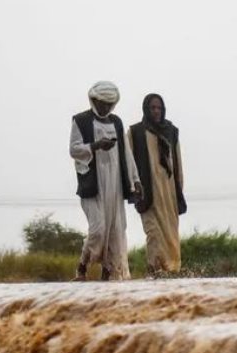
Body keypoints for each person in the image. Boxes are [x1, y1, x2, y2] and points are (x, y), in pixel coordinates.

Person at [69, 81, 143, 281]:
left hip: (115, 184)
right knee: (98, 230)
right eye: (102, 103)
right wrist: (95, 146)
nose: (106, 108)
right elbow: (74, 150)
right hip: (93, 185)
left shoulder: (116, 122)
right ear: (94, 101)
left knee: (116, 232)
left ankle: (107, 277)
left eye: (110, 104)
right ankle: (82, 266)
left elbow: (126, 154)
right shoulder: (81, 120)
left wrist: (135, 180)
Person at [128, 93, 186, 275]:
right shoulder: (135, 132)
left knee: (171, 236)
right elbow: (129, 164)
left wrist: (179, 191)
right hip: (147, 193)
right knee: (153, 233)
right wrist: (133, 188)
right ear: (146, 109)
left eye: (159, 108)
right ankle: (153, 270)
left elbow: (178, 163)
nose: (156, 111)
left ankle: (171, 272)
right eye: (152, 107)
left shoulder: (171, 131)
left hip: (168, 194)